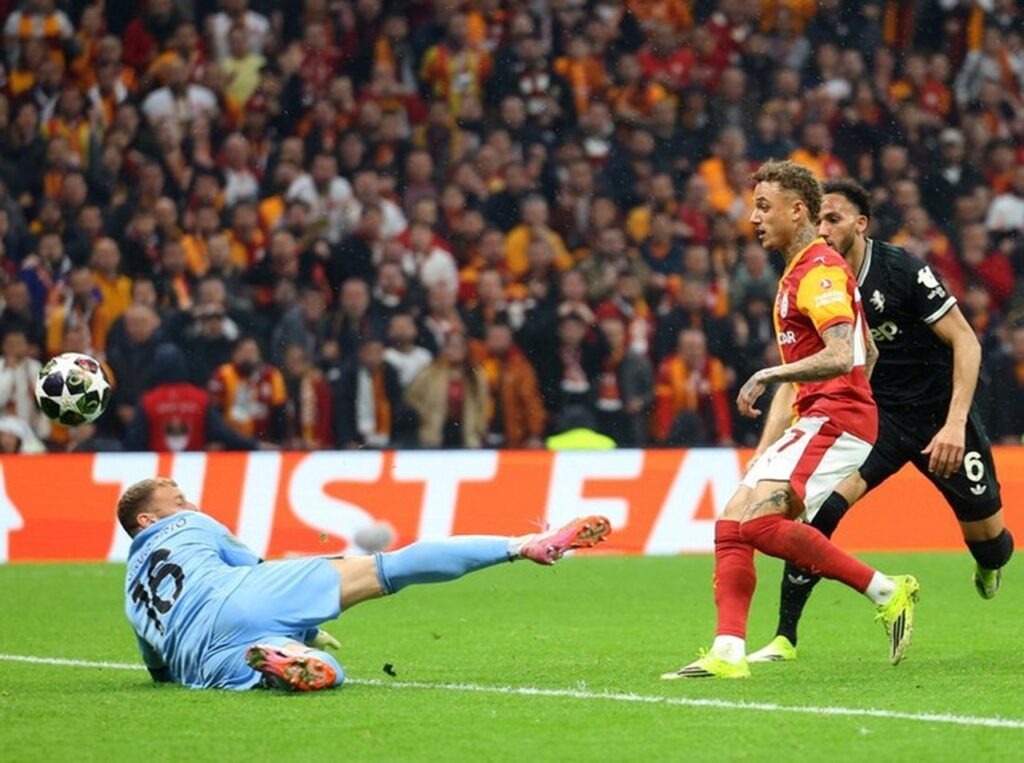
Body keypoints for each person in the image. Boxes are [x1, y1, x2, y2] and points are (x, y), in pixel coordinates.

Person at [661, 160, 917, 680]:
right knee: (733, 522)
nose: (753, 218)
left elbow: (842, 352)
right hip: (822, 416)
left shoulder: (818, 270)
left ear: (798, 210)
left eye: (763, 207)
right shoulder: (800, 270)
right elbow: (867, 350)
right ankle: (728, 651)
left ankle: (886, 591)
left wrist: (774, 375)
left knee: (757, 524)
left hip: (834, 420)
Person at [749, 178, 1014, 663]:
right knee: (819, 511)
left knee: (991, 543)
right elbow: (798, 373)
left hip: (938, 417)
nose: (823, 229)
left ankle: (987, 562)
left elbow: (966, 341)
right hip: (878, 420)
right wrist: (767, 446)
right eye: (818, 219)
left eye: (834, 219)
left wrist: (955, 424)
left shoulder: (901, 270)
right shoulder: (815, 279)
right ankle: (785, 636)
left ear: (861, 224)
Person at [120, 477, 611, 691]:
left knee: (326, 672)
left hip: (201, 657)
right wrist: (308, 621)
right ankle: (522, 545)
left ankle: (287, 659)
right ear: (147, 520)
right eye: (178, 501)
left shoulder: (130, 594)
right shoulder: (192, 525)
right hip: (244, 594)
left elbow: (158, 668)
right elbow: (253, 566)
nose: (189, 505)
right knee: (388, 568)